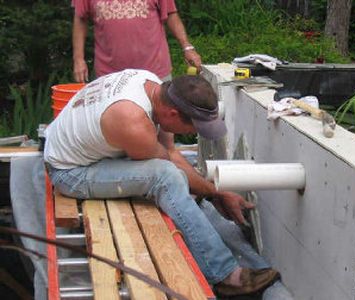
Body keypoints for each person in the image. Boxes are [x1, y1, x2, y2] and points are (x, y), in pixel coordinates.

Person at [44, 69, 280, 297]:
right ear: (173, 114)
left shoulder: (151, 84)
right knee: (165, 177)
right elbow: (167, 170)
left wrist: (215, 193)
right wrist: (214, 193)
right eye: (193, 127)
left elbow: (170, 153)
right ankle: (226, 276)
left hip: (87, 148)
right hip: (71, 172)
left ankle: (223, 268)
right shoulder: (132, 121)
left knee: (168, 173)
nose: (194, 133)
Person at [72, 0, 201, 83]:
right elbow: (80, 18)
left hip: (154, 73)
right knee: (114, 123)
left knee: (158, 122)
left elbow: (171, 14)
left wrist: (187, 47)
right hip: (109, 76)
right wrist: (78, 59)